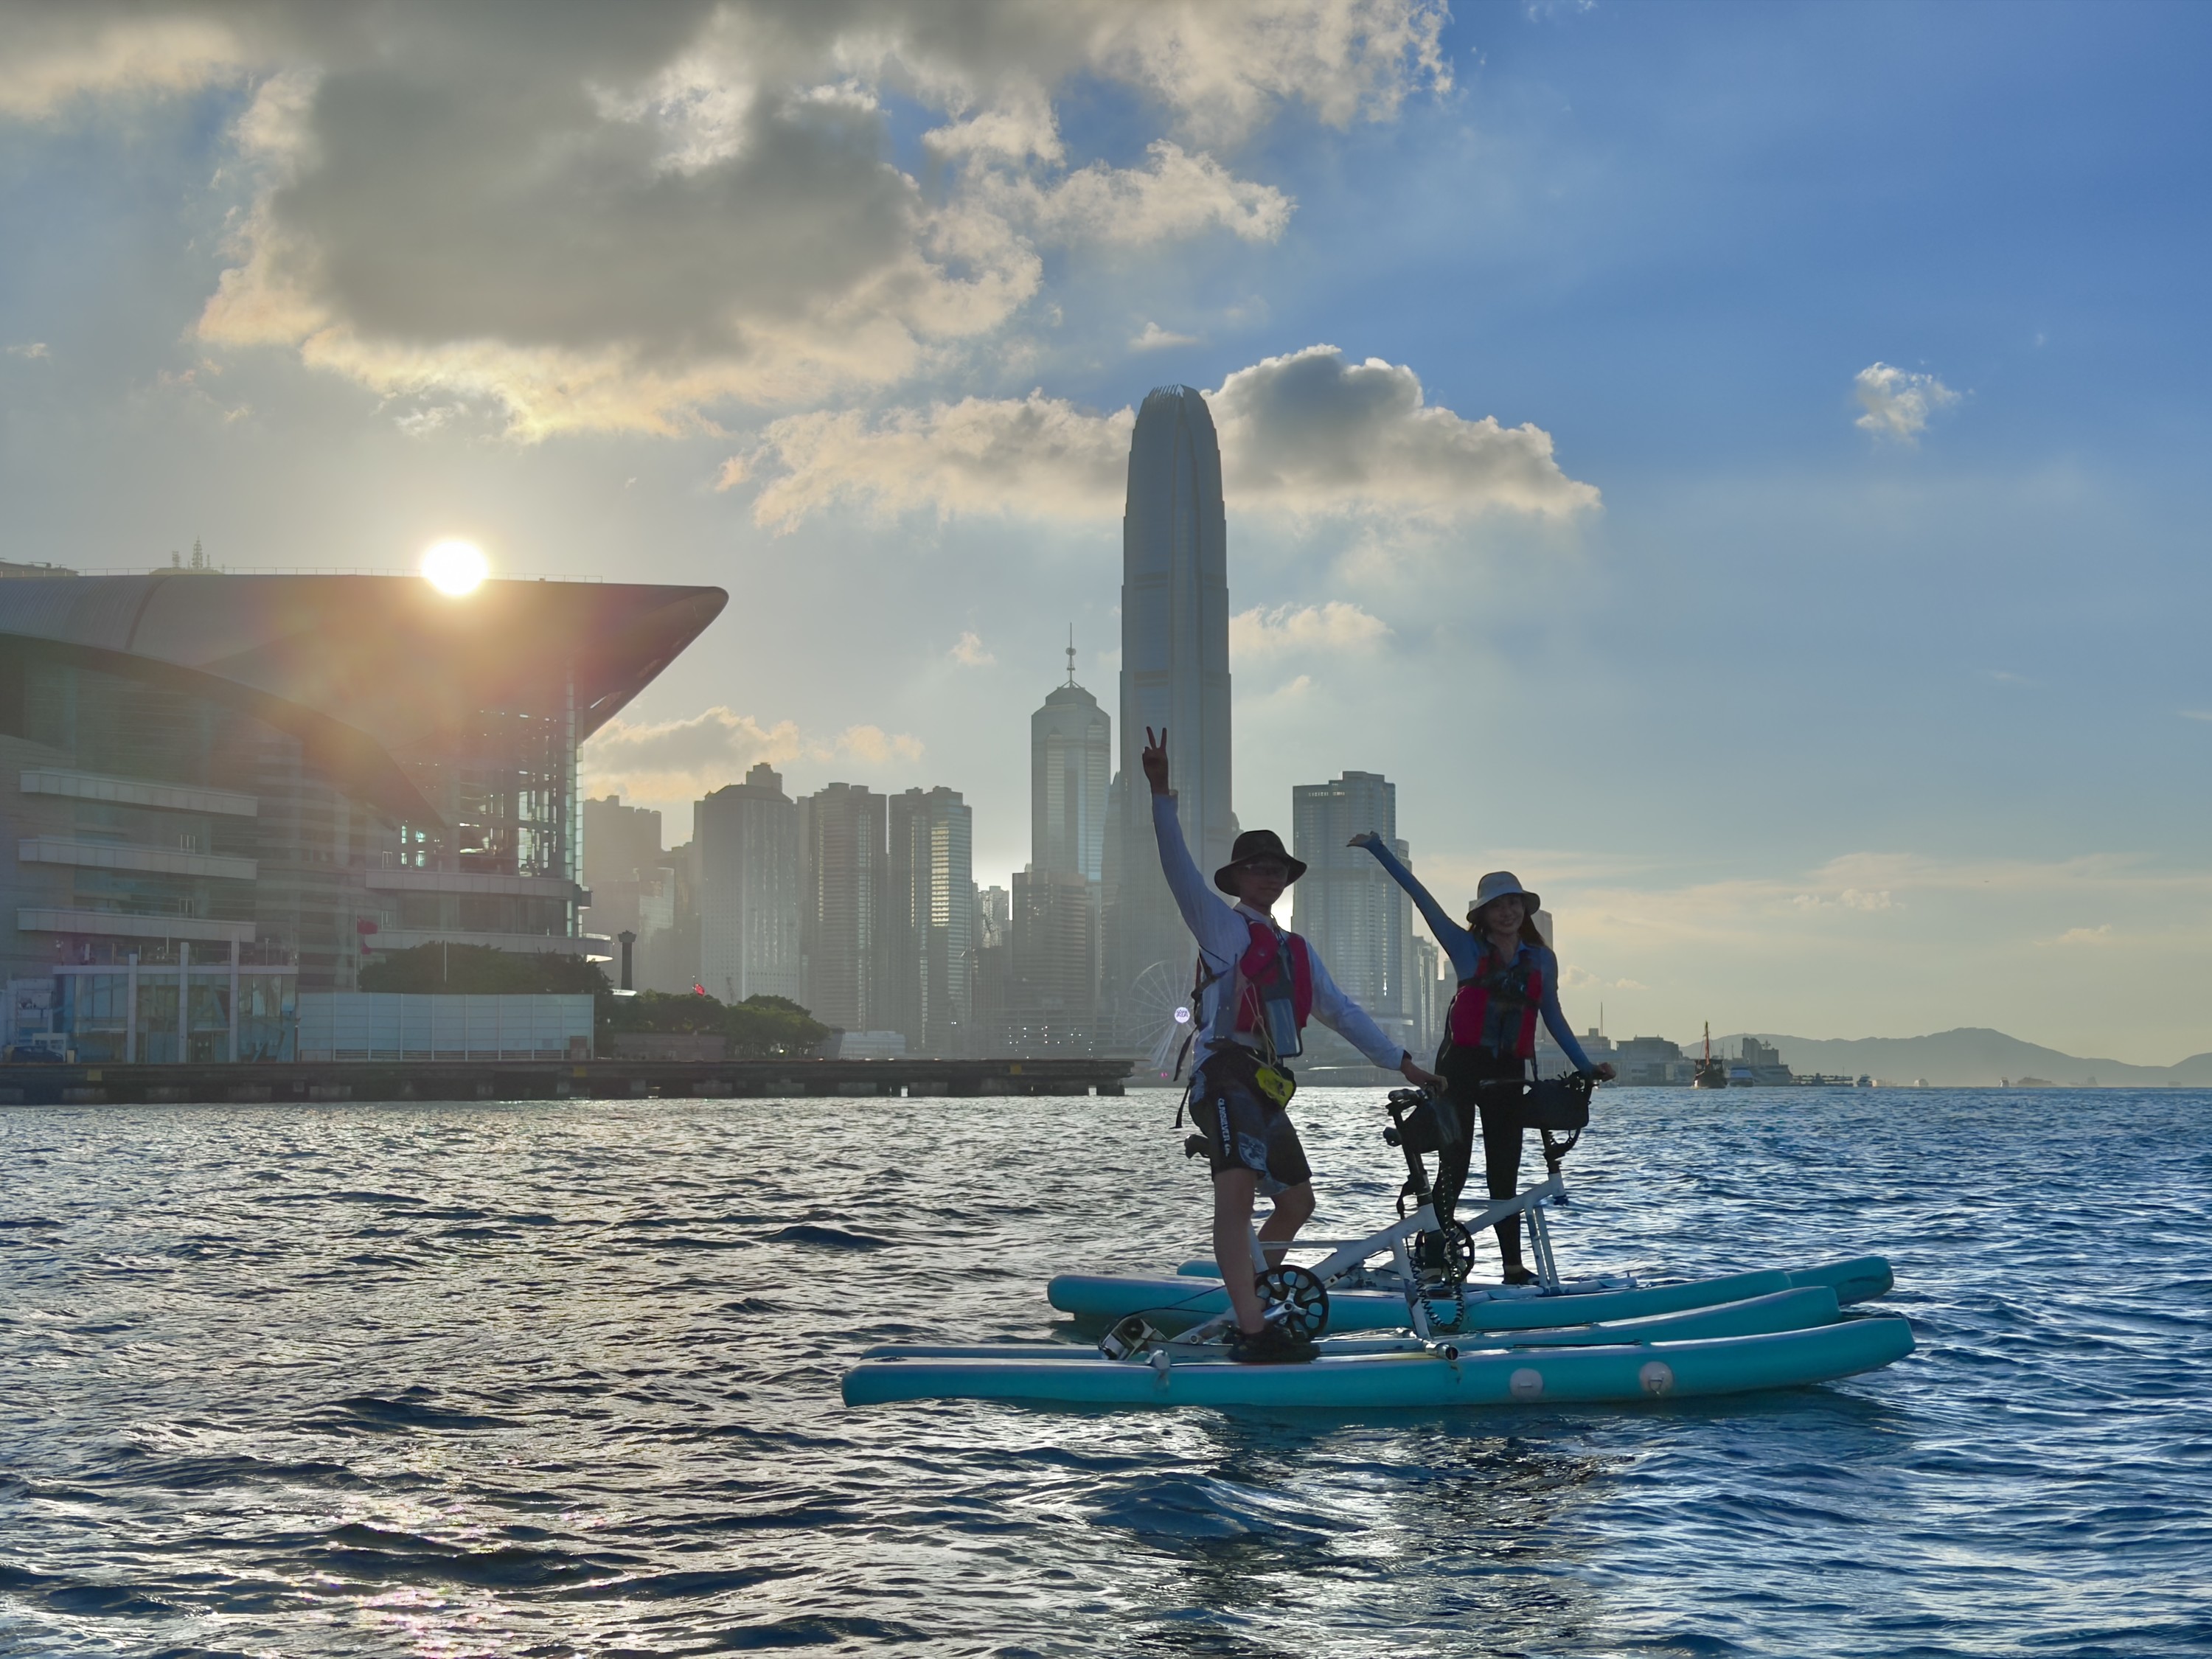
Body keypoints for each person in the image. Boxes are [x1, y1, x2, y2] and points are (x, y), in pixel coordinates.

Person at [1144, 727, 1447, 1360]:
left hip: (1266, 1083)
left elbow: (1342, 1011)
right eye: (1257, 868)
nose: (1268, 876)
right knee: (1237, 1196)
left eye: (1276, 869)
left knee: (1298, 1202)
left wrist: (1404, 1064)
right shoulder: (1222, 929)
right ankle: (1253, 1328)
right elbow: (1177, 871)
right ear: (1239, 877)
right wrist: (1160, 796)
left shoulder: (1296, 950)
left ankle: (1257, 1296)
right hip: (1224, 1076)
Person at [1349, 835, 1615, 1285]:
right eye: (1498, 906)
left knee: (1504, 1172)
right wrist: (1379, 851)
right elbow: (1421, 897)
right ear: (1483, 915)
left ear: (1524, 910)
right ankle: (1434, 1261)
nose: (1508, 912)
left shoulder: (1542, 960)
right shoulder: (1465, 947)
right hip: (1458, 1071)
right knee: (1455, 1163)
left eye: (1515, 903)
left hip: (1508, 1074)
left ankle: (1513, 1268)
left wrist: (1587, 1067)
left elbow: (1553, 1016)